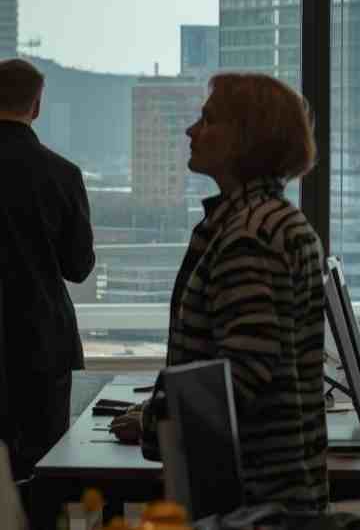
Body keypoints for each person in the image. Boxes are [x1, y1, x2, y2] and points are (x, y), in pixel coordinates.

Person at [111, 73, 328, 513]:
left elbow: (239, 372)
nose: (192, 131)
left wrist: (154, 423)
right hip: (276, 494)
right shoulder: (273, 219)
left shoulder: (250, 234)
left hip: (251, 503)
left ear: (243, 139)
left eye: (207, 120)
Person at [0, 58, 95, 480]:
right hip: (40, 344)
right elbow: (78, 268)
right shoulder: (62, 175)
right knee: (41, 477)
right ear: (36, 106)